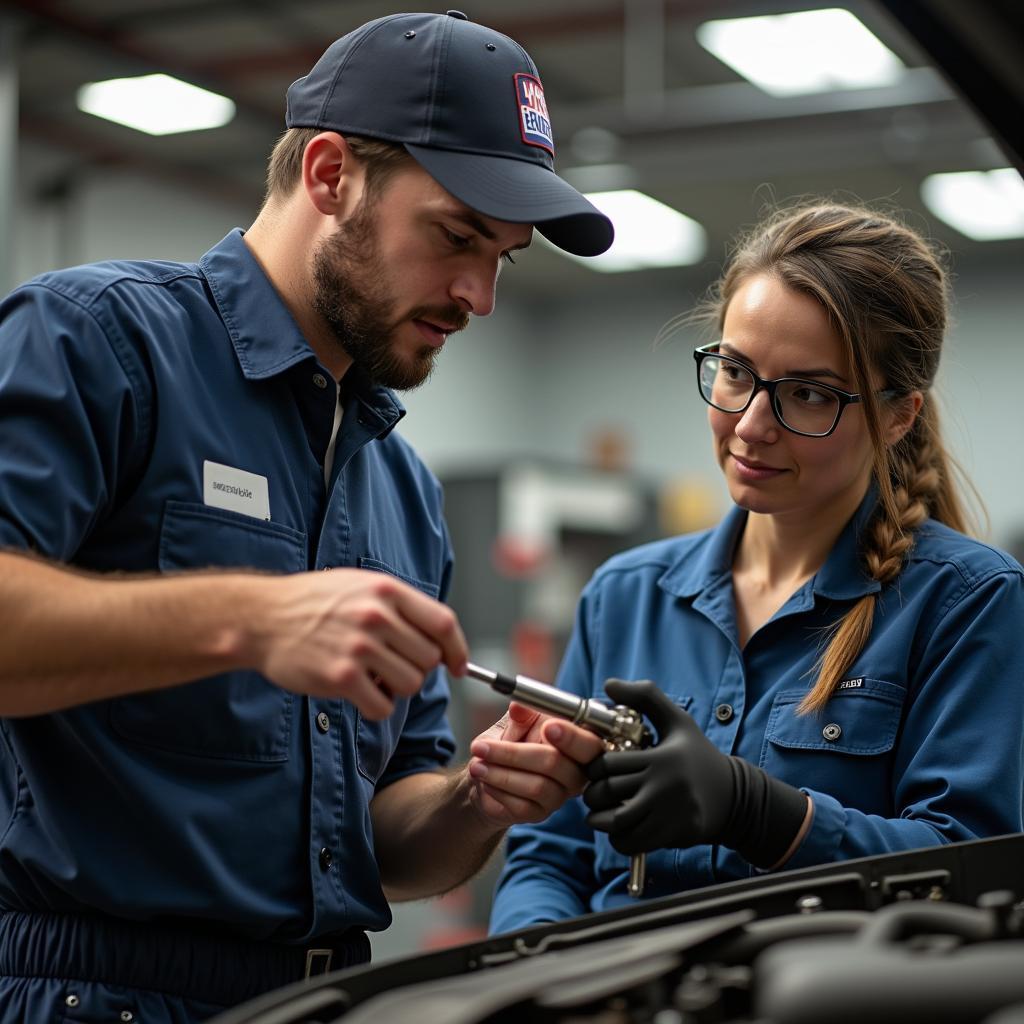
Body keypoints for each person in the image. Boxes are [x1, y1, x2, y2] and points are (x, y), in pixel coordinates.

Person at [0, 11, 610, 1022]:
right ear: (330, 175)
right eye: (457, 236)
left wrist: (478, 797)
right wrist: (253, 619)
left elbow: (388, 837)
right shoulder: (95, 343)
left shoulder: (401, 489)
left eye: (503, 255)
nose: (480, 295)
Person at [489, 200, 1024, 934]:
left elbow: (972, 872)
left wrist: (761, 812)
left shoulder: (969, 602)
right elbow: (549, 856)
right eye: (736, 372)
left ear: (899, 414)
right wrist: (538, 978)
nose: (750, 426)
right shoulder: (626, 595)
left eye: (807, 394)